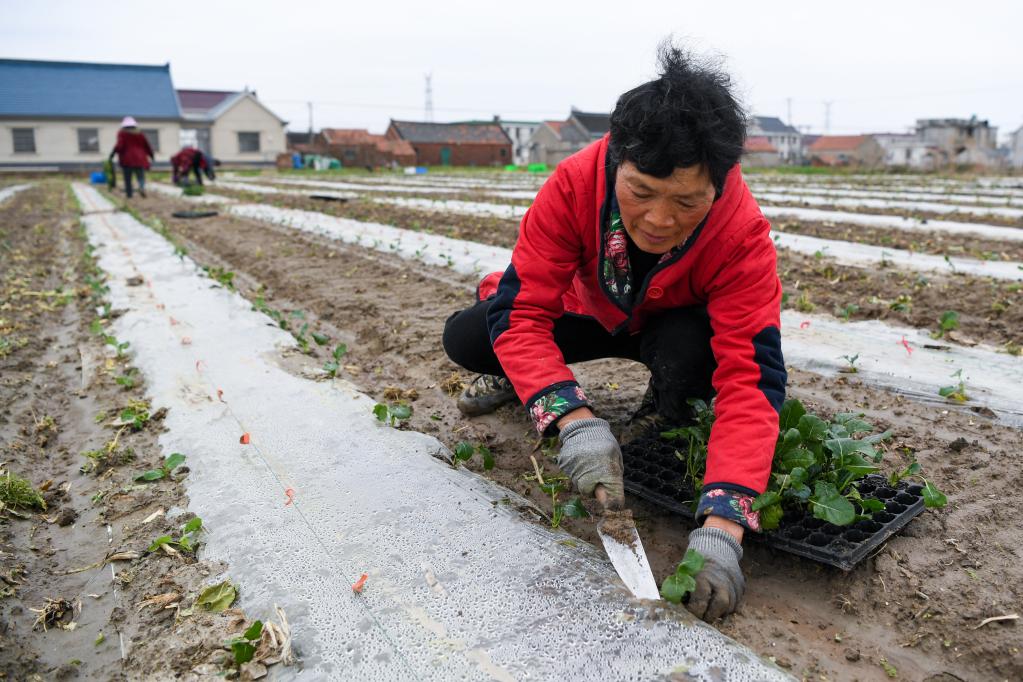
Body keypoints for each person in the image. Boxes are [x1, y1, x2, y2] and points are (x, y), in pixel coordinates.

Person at [442, 43, 785, 622]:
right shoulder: (574, 183)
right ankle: (529, 388)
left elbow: (752, 379)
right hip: (592, 309)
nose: (659, 219)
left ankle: (666, 410)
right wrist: (571, 417)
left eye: (686, 201)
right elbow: (522, 314)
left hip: (672, 326)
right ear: (617, 161)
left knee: (694, 356)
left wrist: (726, 523)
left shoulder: (741, 233)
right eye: (642, 192)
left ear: (719, 184)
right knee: (471, 338)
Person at [109, 116, 154, 198]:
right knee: (140, 176)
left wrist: (113, 153)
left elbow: (119, 145)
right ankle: (141, 187)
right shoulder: (140, 133)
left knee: (128, 178)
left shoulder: (122, 133)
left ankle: (129, 194)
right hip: (140, 159)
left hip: (127, 159)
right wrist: (151, 155)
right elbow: (147, 145)